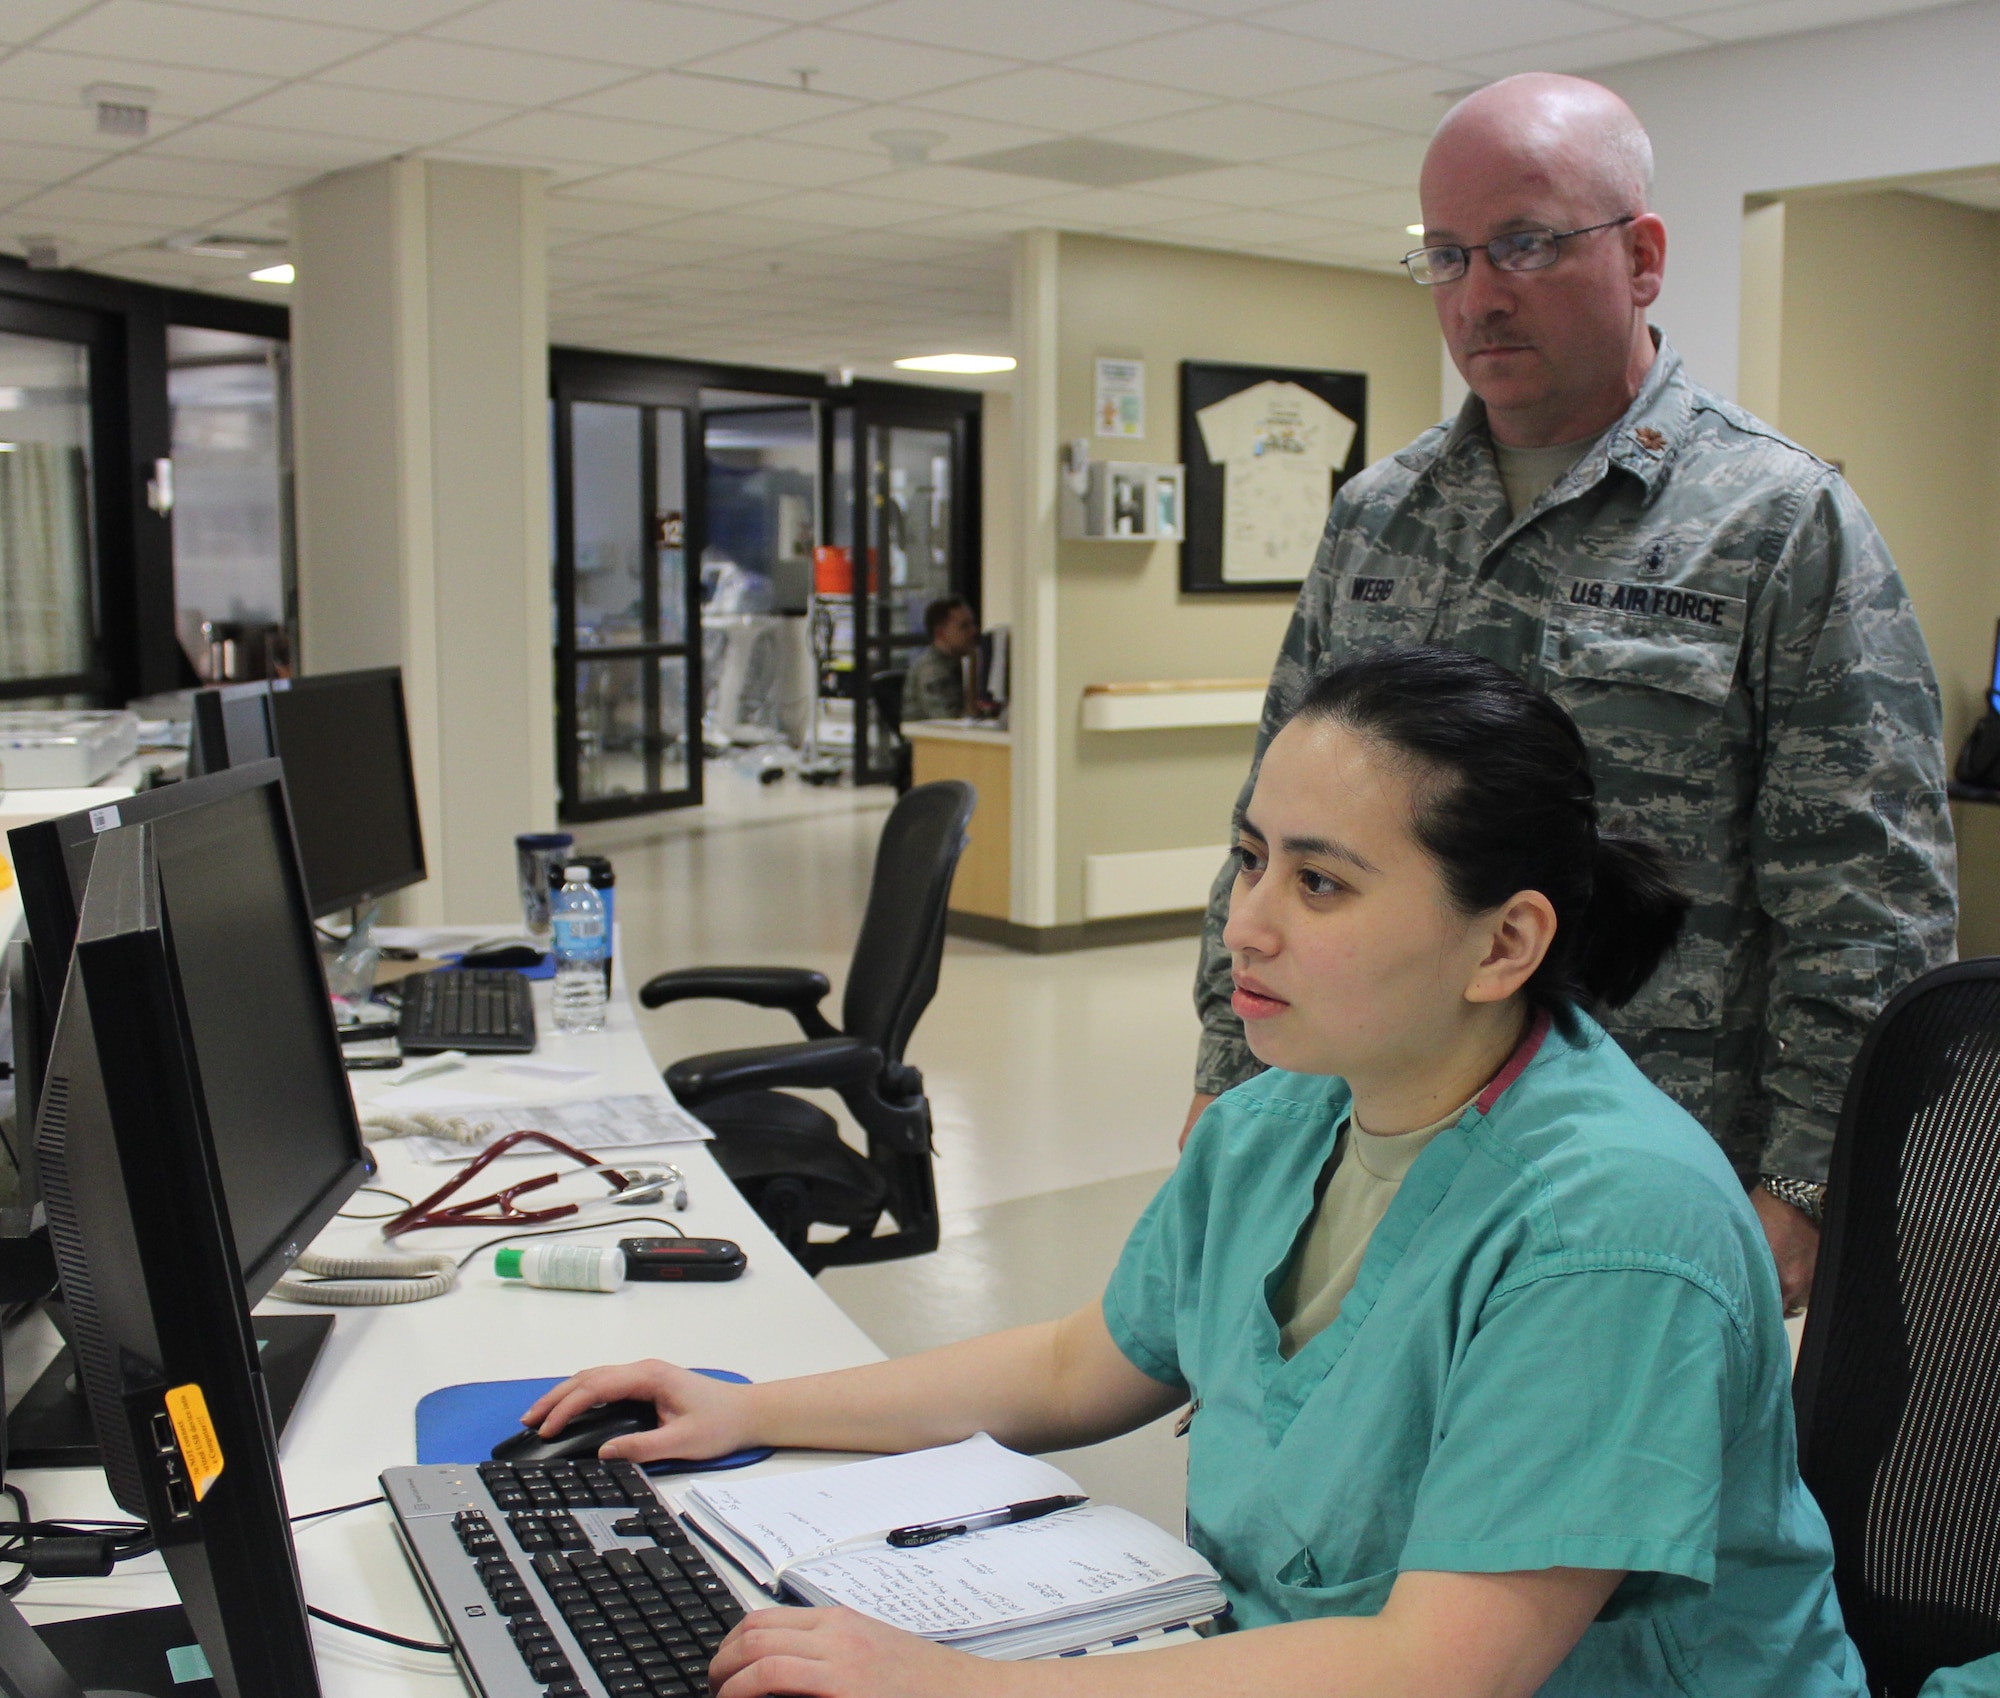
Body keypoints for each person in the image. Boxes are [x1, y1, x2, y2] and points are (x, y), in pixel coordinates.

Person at [527, 648, 1873, 1698]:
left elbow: (1440, 1665)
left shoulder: (1613, 1228)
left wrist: (961, 1680)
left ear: (1505, 941)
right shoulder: (1282, 1120)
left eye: (1322, 883)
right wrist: (749, 1404)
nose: (1248, 919)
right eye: (1249, 857)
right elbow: (1076, 1366)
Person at [1187, 72, 1956, 1317]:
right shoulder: (1378, 520)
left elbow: (1866, 900)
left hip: (1649, 1178)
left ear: (1641, 256)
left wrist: (1806, 1186)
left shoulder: (1775, 523)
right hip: (1374, 1148)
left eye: (1526, 243)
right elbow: (1269, 831)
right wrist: (1230, 1082)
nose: (1477, 293)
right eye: (1443, 255)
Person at [902, 596, 978, 723]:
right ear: (940, 633)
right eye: (964, 626)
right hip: (930, 741)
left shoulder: (954, 663)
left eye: (973, 624)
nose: (974, 631)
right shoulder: (932, 670)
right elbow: (949, 721)